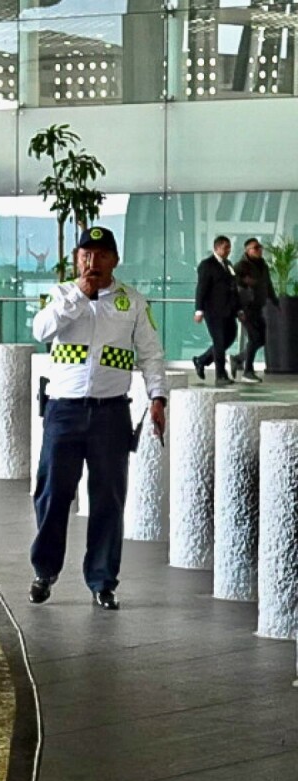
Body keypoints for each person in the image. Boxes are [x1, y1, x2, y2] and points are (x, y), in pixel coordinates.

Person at [29, 227, 167, 610]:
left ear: (114, 260)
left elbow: (151, 354)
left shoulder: (132, 302)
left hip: (111, 412)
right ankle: (45, 571)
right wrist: (79, 297)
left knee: (108, 497)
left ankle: (102, 580)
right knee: (53, 492)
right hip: (64, 410)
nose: (93, 262)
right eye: (86, 255)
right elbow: (41, 330)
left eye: (101, 254)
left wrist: (158, 397)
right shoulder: (61, 295)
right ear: (76, 259)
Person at [191, 235, 241, 387]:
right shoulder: (207, 265)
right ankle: (221, 375)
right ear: (217, 248)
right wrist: (199, 310)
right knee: (219, 342)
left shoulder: (228, 265)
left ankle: (202, 360)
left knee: (230, 337)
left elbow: (234, 288)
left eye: (229, 247)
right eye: (226, 247)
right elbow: (201, 289)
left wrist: (238, 309)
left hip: (229, 311)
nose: (228, 250)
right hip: (213, 311)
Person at [231, 237, 279, 383]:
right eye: (255, 248)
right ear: (247, 250)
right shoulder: (241, 266)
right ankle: (248, 370)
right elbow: (231, 282)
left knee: (262, 338)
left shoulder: (262, 264)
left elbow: (267, 283)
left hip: (258, 306)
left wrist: (274, 301)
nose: (259, 250)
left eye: (260, 247)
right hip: (246, 307)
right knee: (254, 337)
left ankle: (238, 358)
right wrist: (244, 282)